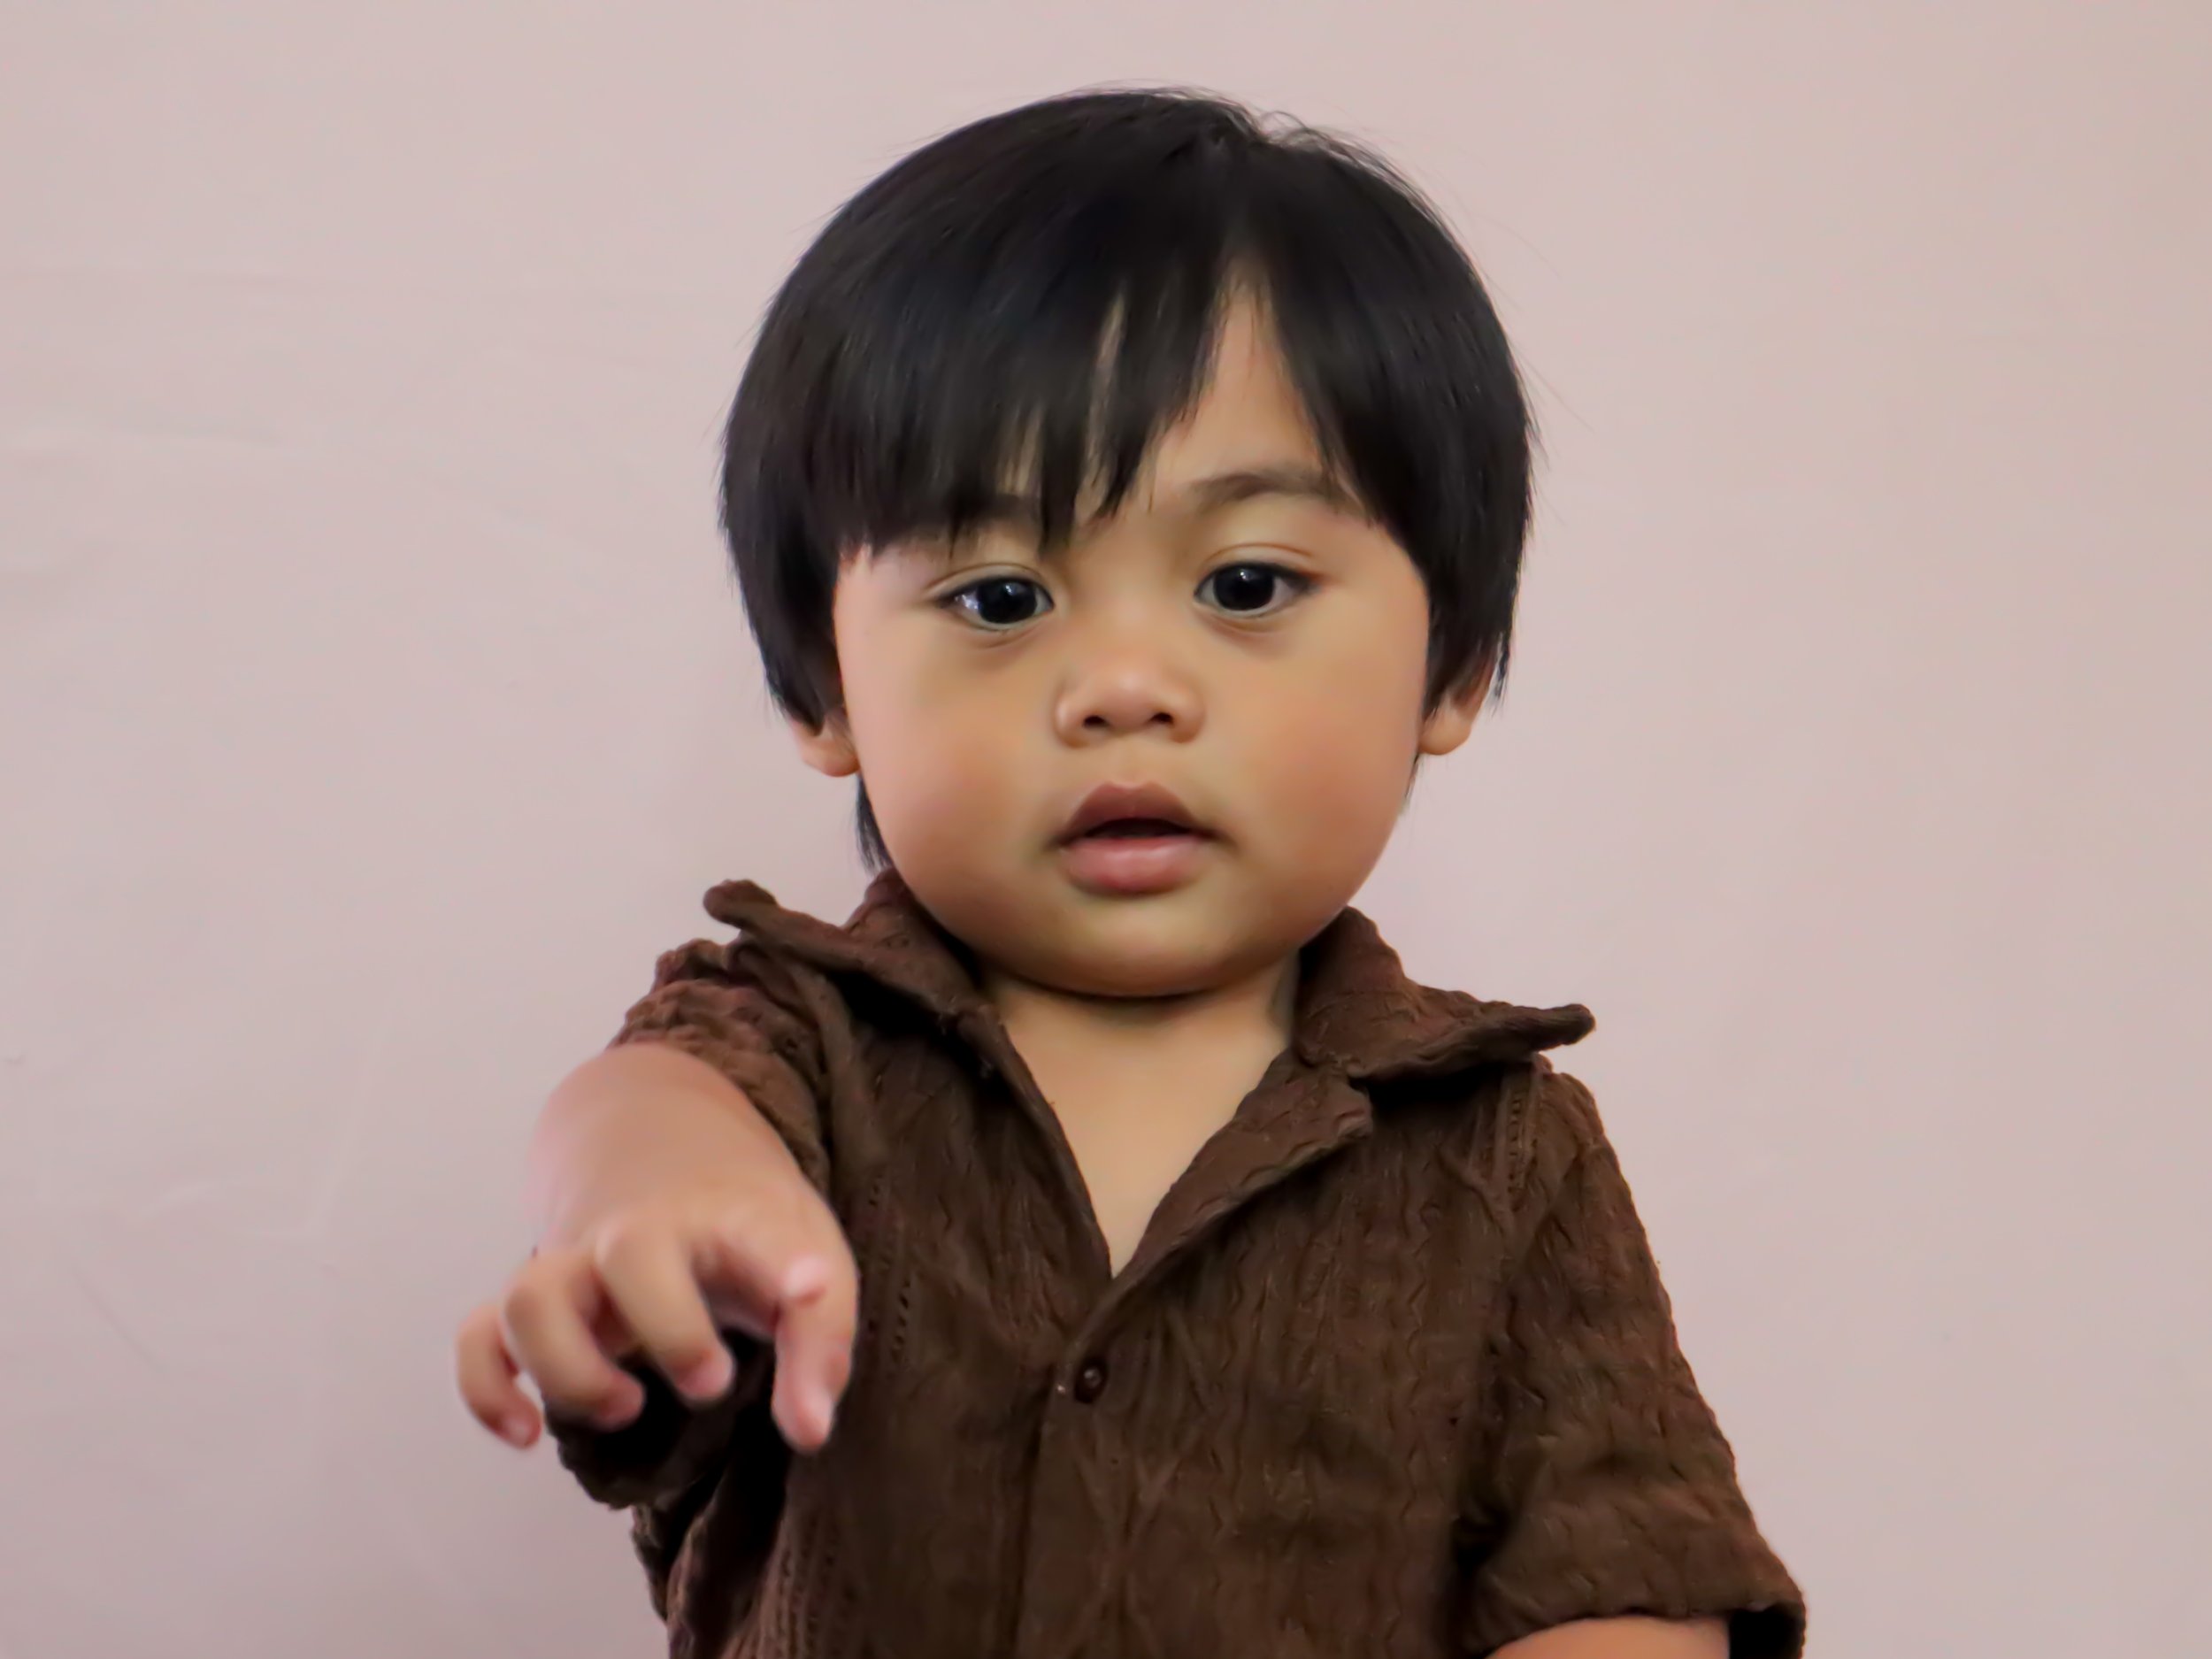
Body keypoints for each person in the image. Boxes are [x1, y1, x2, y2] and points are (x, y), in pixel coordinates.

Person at [455, 88, 1805, 1659]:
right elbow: (642, 1109)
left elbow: (1623, 1572)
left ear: (1456, 668)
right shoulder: (800, 1051)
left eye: (1245, 583)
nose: (1121, 685)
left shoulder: (1506, 1156)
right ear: (825, 690)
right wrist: (662, 1207)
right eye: (1002, 594)